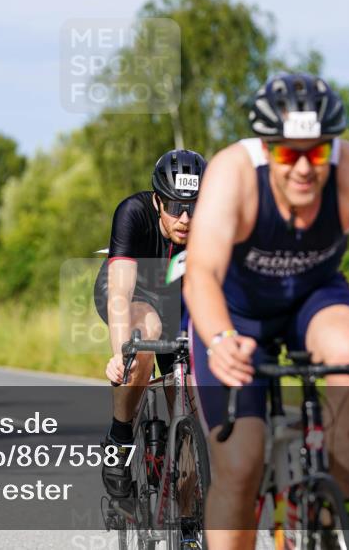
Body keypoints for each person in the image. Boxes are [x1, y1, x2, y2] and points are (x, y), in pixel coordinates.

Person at [184, 73, 349, 548]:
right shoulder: (233, 173)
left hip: (314, 298)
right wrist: (219, 340)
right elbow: (201, 271)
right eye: (288, 153)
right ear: (266, 150)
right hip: (236, 315)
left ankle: (333, 509)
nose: (304, 168)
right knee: (240, 467)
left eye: (317, 152)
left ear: (332, 148)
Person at [94, 149, 207, 500]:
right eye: (176, 206)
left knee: (189, 406)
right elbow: (120, 293)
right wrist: (120, 354)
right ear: (158, 201)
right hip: (131, 296)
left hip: (178, 304)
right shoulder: (134, 213)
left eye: (195, 205)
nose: (186, 217)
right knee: (147, 329)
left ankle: (189, 522)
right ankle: (121, 436)